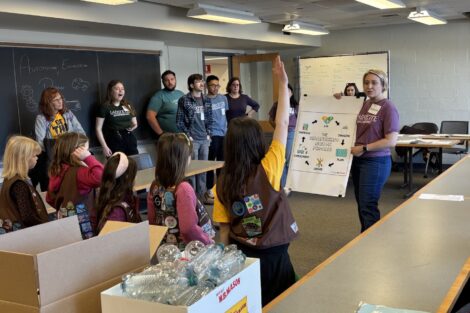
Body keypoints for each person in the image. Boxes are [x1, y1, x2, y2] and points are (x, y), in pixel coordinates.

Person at [214, 56, 299, 306]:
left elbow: (225, 230)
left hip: (243, 253)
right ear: (256, 141)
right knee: (283, 298)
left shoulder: (222, 182)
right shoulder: (269, 167)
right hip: (275, 250)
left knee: (253, 300)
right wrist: (282, 83)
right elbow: (283, 122)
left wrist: (227, 265)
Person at [348, 70, 399, 232]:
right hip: (359, 160)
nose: (369, 86)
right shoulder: (365, 104)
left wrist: (364, 148)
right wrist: (339, 100)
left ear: (383, 85)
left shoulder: (388, 107)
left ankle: (370, 243)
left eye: (374, 83)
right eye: (366, 82)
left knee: (368, 203)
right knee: (362, 202)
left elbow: (391, 140)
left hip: (376, 161)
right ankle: (367, 236)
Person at [146, 133, 215, 250]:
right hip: (187, 253)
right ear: (183, 159)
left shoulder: (155, 185)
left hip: (166, 249)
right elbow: (188, 228)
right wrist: (207, 242)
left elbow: (152, 221)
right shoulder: (184, 188)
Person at [47, 132, 104, 234]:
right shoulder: (79, 172)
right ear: (78, 152)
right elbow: (101, 177)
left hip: (65, 220)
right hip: (84, 223)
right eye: (87, 150)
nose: (89, 152)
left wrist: (66, 210)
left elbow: (50, 198)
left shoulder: (58, 170)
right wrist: (88, 158)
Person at [32, 87, 85, 191]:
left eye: (61, 98)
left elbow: (81, 132)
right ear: (48, 102)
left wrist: (81, 147)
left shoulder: (67, 114)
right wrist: (55, 152)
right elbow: (40, 142)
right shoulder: (41, 119)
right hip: (53, 157)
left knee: (71, 185)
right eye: (56, 100)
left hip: (70, 154)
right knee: (53, 186)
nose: (60, 101)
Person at [0, 136, 49, 233]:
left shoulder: (9, 180)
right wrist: (46, 227)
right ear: (24, 158)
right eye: (34, 155)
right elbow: (27, 216)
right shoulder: (19, 184)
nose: (37, 158)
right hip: (29, 235)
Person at [176, 73, 212, 199]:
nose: (202, 83)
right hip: (192, 139)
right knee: (191, 169)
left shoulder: (206, 99)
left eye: (202, 81)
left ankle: (201, 196)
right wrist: (188, 136)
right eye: (198, 82)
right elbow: (179, 121)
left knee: (203, 168)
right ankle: (192, 196)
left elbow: (209, 118)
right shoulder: (184, 100)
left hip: (204, 139)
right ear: (191, 85)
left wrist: (209, 134)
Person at [95, 152, 141, 233]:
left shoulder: (123, 197)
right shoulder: (116, 213)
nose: (136, 177)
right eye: (134, 175)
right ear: (127, 178)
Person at [96, 80, 138, 157]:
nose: (120, 91)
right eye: (117, 88)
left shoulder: (128, 105)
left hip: (129, 138)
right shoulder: (105, 107)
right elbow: (98, 128)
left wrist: (132, 127)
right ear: (110, 91)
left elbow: (135, 123)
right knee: (118, 166)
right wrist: (104, 146)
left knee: (133, 164)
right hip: (114, 139)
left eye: (122, 88)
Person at [268, 83, 299, 191]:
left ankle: (286, 185)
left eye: (289, 91)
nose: (287, 93)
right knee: (280, 159)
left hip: (291, 132)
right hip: (281, 134)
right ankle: (283, 185)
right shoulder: (277, 105)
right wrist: (278, 128)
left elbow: (300, 120)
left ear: (291, 93)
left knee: (287, 160)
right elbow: (270, 119)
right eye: (284, 91)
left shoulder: (295, 105)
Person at [204, 75, 229, 205]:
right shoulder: (204, 100)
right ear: (207, 86)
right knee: (210, 164)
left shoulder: (223, 98)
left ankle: (221, 188)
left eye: (217, 85)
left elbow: (225, 115)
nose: (215, 88)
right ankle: (209, 189)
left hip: (223, 135)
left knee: (221, 163)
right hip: (211, 135)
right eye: (213, 85)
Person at [146, 70, 185, 137]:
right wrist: (161, 134)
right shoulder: (158, 96)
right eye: (167, 80)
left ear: (175, 80)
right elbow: (150, 116)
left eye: (172, 79)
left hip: (183, 135)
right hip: (169, 138)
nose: (170, 82)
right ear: (163, 82)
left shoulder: (180, 93)